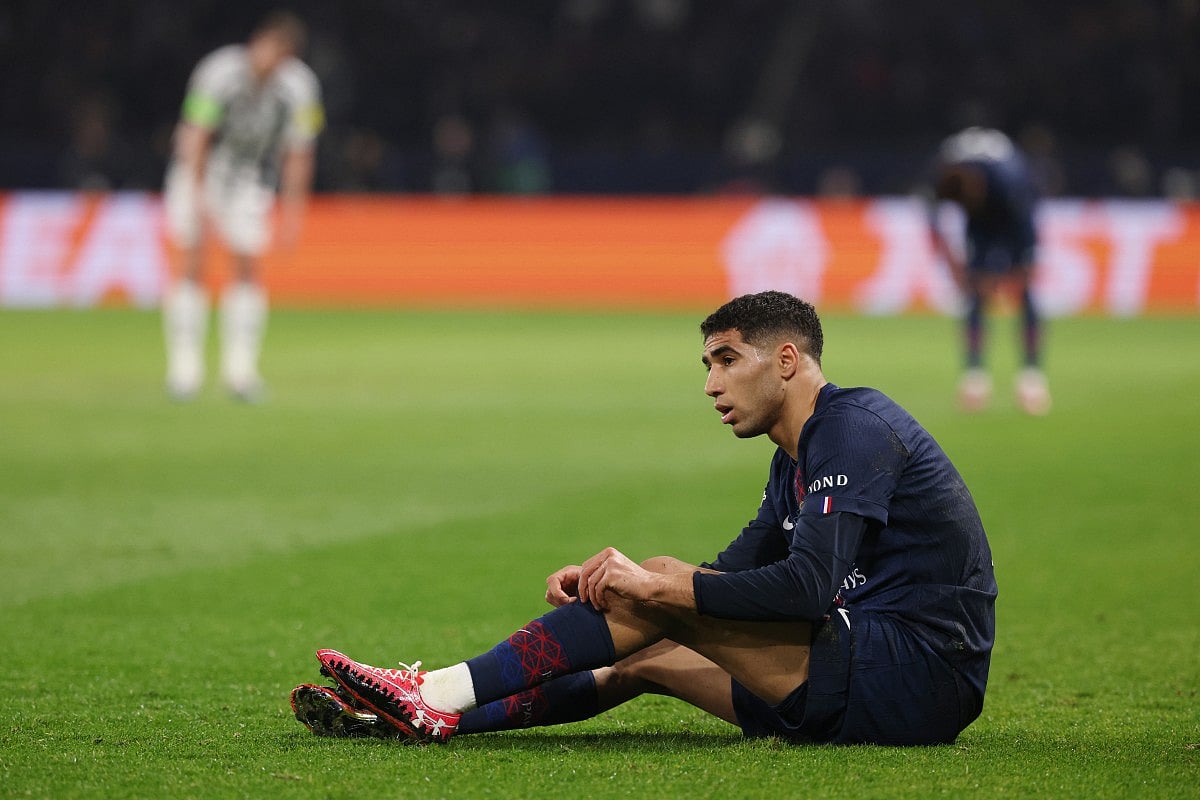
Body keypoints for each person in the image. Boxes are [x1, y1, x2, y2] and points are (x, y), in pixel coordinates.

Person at [290, 291, 997, 746]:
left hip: (919, 677)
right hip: (864, 669)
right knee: (645, 656)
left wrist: (654, 587)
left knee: (661, 582)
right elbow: (728, 574)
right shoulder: (795, 459)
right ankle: (416, 720)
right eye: (707, 363)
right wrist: (636, 593)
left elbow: (808, 588)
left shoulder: (853, 428)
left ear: (786, 360)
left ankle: (434, 690)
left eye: (726, 359)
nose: (711, 383)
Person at [161, 12, 323, 401]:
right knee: (192, 261)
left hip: (250, 178)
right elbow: (196, 135)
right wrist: (197, 195)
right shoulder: (217, 71)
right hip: (200, 170)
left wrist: (293, 211)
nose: (266, 58)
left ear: (289, 57)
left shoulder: (301, 88)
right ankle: (185, 369)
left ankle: (241, 371)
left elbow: (299, 152)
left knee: (248, 264)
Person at [930, 127, 1051, 415]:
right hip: (982, 215)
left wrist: (1023, 265)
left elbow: (1025, 225)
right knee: (975, 291)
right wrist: (953, 263)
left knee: (1024, 289)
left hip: (1012, 215)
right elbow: (933, 221)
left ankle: (1032, 376)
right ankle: (974, 377)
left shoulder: (1011, 182)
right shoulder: (945, 176)